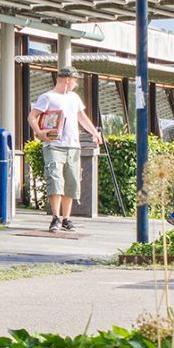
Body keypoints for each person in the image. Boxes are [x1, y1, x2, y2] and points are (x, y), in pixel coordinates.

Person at [28, 66, 102, 232]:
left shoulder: (74, 98)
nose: (75, 83)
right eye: (74, 80)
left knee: (72, 181)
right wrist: (39, 133)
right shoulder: (47, 97)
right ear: (68, 80)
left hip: (73, 146)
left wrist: (94, 133)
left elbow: (81, 117)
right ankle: (56, 217)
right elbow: (32, 116)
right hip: (54, 145)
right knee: (55, 179)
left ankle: (67, 218)